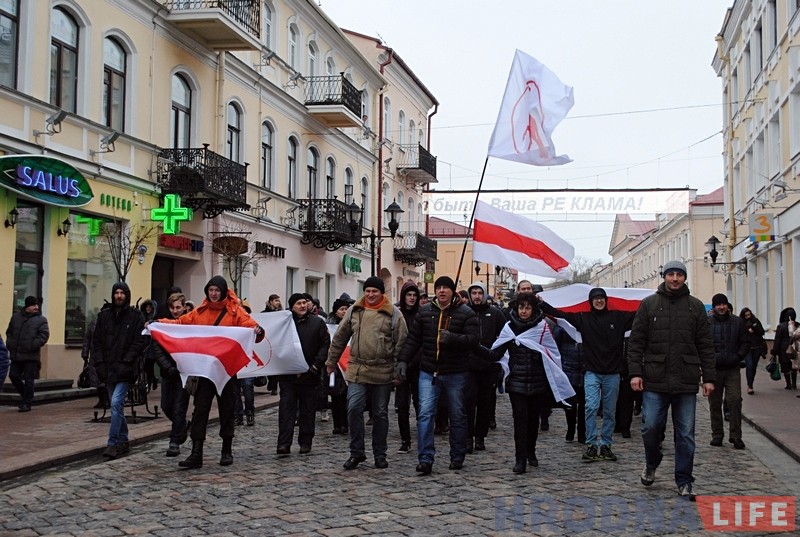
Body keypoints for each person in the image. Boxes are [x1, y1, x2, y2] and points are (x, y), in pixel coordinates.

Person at [628, 260, 716, 498]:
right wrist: (635, 372)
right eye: (671, 274)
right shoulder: (649, 305)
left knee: (686, 434)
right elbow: (636, 342)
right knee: (650, 428)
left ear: (684, 278)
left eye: (679, 274)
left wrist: (709, 377)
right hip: (655, 379)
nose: (675, 278)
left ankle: (684, 479)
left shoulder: (695, 307)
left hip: (686, 380)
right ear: (664, 276)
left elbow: (706, 345)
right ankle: (652, 461)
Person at [157, 276, 265, 469]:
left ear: (223, 291)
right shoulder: (200, 312)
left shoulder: (235, 312)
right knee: (200, 411)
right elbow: (180, 324)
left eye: (217, 290)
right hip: (204, 371)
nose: (213, 293)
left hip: (225, 370)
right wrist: (158, 324)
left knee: (227, 409)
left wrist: (258, 331)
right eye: (211, 290)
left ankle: (226, 450)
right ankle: (196, 453)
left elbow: (250, 327)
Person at [538, 287, 636, 462]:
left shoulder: (618, 317)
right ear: (591, 301)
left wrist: (657, 297)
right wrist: (542, 304)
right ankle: (591, 444)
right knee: (590, 407)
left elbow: (640, 314)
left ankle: (606, 445)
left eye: (601, 298)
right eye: (595, 298)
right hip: (591, 372)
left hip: (613, 373)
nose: (599, 301)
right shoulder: (584, 319)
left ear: (606, 300)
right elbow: (561, 315)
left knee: (609, 411)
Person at [397, 276, 479, 475]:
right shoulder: (425, 313)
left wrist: (452, 338)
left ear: (452, 291)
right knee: (425, 414)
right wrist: (403, 360)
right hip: (428, 371)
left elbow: (474, 340)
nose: (442, 291)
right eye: (439, 287)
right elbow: (413, 339)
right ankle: (425, 458)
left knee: (457, 415)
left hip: (455, 372)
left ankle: (457, 455)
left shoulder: (466, 313)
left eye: (445, 287)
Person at [485, 292, 574, 473]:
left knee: (533, 421)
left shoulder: (541, 328)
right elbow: (495, 353)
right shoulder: (509, 328)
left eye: (527, 307)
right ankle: (520, 459)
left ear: (533, 309)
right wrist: (473, 346)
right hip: (517, 382)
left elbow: (552, 354)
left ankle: (531, 451)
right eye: (521, 307)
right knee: (520, 421)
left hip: (537, 382)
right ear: (516, 308)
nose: (524, 311)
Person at [326, 276, 407, 470]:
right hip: (357, 368)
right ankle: (357, 453)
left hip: (382, 369)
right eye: (367, 291)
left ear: (381, 293)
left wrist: (397, 370)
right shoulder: (355, 310)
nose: (370, 295)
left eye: (374, 291)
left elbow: (401, 343)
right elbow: (339, 338)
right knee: (353, 407)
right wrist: (331, 362)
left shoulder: (395, 314)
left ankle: (380, 454)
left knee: (379, 413)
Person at [92, 283, 146, 459]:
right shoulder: (104, 317)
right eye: (116, 292)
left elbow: (140, 341)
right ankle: (123, 439)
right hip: (107, 368)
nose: (119, 296)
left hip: (125, 368)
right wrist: (98, 362)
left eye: (122, 293)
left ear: (127, 295)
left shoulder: (135, 316)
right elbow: (97, 341)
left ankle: (113, 442)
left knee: (116, 403)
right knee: (116, 407)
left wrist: (128, 359)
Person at [276, 293, 331, 455]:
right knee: (286, 412)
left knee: (307, 411)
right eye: (298, 303)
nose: (302, 306)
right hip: (288, 376)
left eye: (304, 303)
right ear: (292, 306)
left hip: (310, 376)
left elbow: (325, 345)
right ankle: (284, 443)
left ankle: (305, 442)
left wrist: (315, 366)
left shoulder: (317, 323)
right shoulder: (285, 323)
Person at [465, 281, 506, 453]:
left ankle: (480, 436)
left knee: (485, 404)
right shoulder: (464, 313)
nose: (476, 296)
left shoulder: (495, 313)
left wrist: (497, 356)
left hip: (488, 366)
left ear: (484, 295)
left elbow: (506, 335)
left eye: (479, 292)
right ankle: (467, 438)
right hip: (468, 366)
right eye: (473, 292)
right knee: (468, 404)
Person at [707, 293, 749, 450]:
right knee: (714, 403)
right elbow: (702, 344)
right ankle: (717, 434)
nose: (721, 307)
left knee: (735, 400)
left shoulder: (737, 322)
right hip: (714, 369)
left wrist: (738, 356)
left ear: (727, 305)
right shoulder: (707, 323)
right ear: (714, 306)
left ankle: (736, 436)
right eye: (718, 304)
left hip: (732, 368)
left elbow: (745, 342)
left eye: (724, 304)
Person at [152, 293, 191, 457]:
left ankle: (174, 441)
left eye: (178, 307)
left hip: (184, 372)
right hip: (168, 372)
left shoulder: (190, 324)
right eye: (172, 308)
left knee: (179, 408)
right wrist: (168, 367)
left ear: (184, 307)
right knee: (166, 406)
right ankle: (183, 426)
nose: (175, 311)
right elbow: (157, 349)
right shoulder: (163, 325)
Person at [7, 296, 50, 412]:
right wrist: (10, 344)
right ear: (27, 306)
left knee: (29, 379)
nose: (36, 307)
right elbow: (9, 332)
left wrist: (32, 345)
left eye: (37, 305)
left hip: (31, 355)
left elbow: (44, 335)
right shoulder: (16, 317)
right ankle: (26, 395)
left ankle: (27, 403)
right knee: (13, 375)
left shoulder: (41, 320)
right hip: (16, 353)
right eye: (33, 305)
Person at [395, 281, 421, 454]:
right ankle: (405, 439)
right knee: (402, 405)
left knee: (421, 404)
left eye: (414, 295)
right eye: (408, 295)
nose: (411, 298)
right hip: (401, 365)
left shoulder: (422, 314)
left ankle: (423, 435)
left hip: (419, 365)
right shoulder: (397, 315)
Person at [326, 293, 354, 435]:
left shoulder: (352, 324)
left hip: (348, 365)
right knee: (335, 395)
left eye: (345, 309)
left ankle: (346, 424)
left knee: (346, 396)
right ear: (335, 311)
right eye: (341, 309)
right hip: (334, 366)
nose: (344, 311)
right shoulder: (328, 326)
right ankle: (337, 424)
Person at [234, 299, 256, 427]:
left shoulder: (249, 322)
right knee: (235, 390)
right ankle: (238, 415)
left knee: (247, 387)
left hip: (248, 362)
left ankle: (249, 412)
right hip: (235, 361)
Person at [81, 310, 109, 409]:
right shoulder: (94, 323)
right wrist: (85, 353)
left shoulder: (111, 322)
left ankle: (106, 400)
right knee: (98, 378)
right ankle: (102, 400)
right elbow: (87, 339)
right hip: (96, 355)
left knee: (105, 378)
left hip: (107, 356)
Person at [739, 307, 766, 395]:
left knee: (754, 367)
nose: (747, 316)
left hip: (757, 346)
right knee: (749, 365)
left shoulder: (755, 321)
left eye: (749, 315)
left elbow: (762, 332)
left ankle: (751, 382)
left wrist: (754, 329)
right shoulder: (741, 323)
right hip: (747, 348)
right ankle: (749, 386)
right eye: (746, 315)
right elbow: (739, 335)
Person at [771, 307, 798, 391]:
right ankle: (794, 384)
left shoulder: (781, 326)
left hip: (784, 349)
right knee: (794, 365)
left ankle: (788, 384)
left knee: (785, 366)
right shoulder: (797, 325)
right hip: (795, 348)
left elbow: (777, 340)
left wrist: (775, 350)